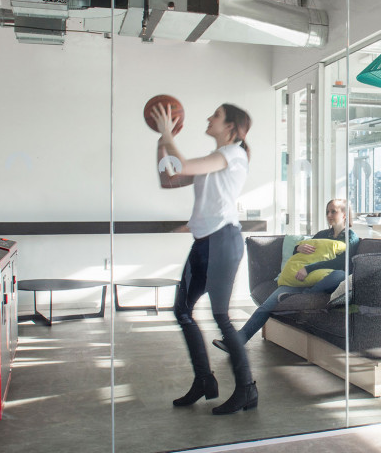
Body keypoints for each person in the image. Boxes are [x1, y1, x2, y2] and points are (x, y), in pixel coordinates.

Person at [153, 101, 257, 415]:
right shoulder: (214, 161)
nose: (209, 118)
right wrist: (161, 142)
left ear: (231, 127)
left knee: (221, 316)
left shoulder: (232, 154)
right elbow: (168, 178)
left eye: (216, 115)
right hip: (203, 243)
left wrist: (168, 134)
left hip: (223, 242)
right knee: (182, 310)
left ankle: (247, 389)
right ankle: (204, 381)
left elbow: (182, 165)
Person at [213, 198, 359, 352]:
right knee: (268, 304)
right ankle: (237, 341)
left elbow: (341, 263)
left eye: (333, 211)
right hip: (303, 281)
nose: (329, 215)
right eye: (327, 211)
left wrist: (308, 269)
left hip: (325, 284)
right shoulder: (322, 234)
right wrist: (298, 248)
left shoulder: (351, 237)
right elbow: (302, 252)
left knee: (339, 275)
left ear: (344, 215)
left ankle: (304, 295)